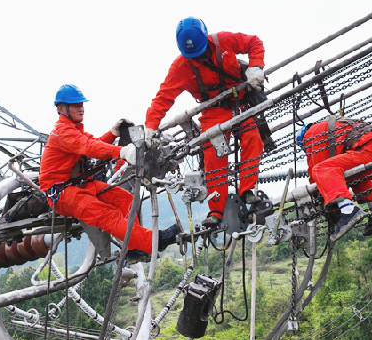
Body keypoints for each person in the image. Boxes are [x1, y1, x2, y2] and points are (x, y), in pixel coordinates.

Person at [144, 17, 266, 227]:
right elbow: (164, 97)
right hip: (213, 110)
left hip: (240, 103)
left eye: (200, 51)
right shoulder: (181, 66)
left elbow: (254, 42)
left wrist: (256, 66)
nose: (198, 57)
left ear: (206, 40)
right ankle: (216, 211)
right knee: (212, 154)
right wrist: (150, 125)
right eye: (193, 54)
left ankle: (247, 191)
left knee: (253, 139)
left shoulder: (224, 41)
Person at [40, 84, 180, 262]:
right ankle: (154, 241)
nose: (81, 108)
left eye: (81, 104)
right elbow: (89, 147)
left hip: (80, 186)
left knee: (126, 199)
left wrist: (112, 134)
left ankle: (133, 248)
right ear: (61, 109)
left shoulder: (73, 130)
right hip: (63, 194)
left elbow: (92, 142)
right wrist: (121, 152)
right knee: (108, 216)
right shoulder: (63, 132)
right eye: (75, 105)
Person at [297, 115, 372, 240]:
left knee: (322, 169)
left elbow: (316, 169)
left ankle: (348, 211)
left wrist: (317, 197)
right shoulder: (335, 125)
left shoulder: (312, 134)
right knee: (350, 173)